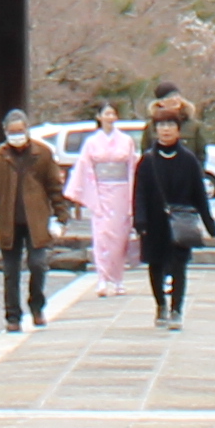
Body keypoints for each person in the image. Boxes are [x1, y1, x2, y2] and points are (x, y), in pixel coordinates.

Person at [134, 93, 215, 328]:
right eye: (161, 125)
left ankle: (176, 309)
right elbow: (140, 193)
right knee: (155, 265)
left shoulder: (188, 160)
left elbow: (199, 194)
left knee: (178, 267)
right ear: (155, 130)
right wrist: (140, 220)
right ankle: (160, 306)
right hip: (155, 222)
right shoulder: (147, 160)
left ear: (178, 129)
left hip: (182, 219)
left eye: (170, 125)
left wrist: (208, 222)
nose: (165, 130)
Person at [0, 108, 71, 331]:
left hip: (36, 220)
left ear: (27, 130)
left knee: (38, 264)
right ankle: (13, 316)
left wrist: (61, 214)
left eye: (20, 131)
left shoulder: (43, 153)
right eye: (11, 132)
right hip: (9, 220)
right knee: (11, 271)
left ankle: (36, 305)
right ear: (5, 132)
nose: (16, 135)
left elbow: (54, 187)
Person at [74, 101, 143, 301]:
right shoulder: (91, 142)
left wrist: (133, 195)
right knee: (102, 236)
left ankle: (119, 279)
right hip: (100, 191)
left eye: (113, 113)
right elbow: (85, 167)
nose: (110, 117)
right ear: (99, 117)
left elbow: (131, 167)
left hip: (122, 191)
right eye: (106, 114)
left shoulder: (126, 141)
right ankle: (102, 278)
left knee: (120, 236)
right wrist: (90, 193)